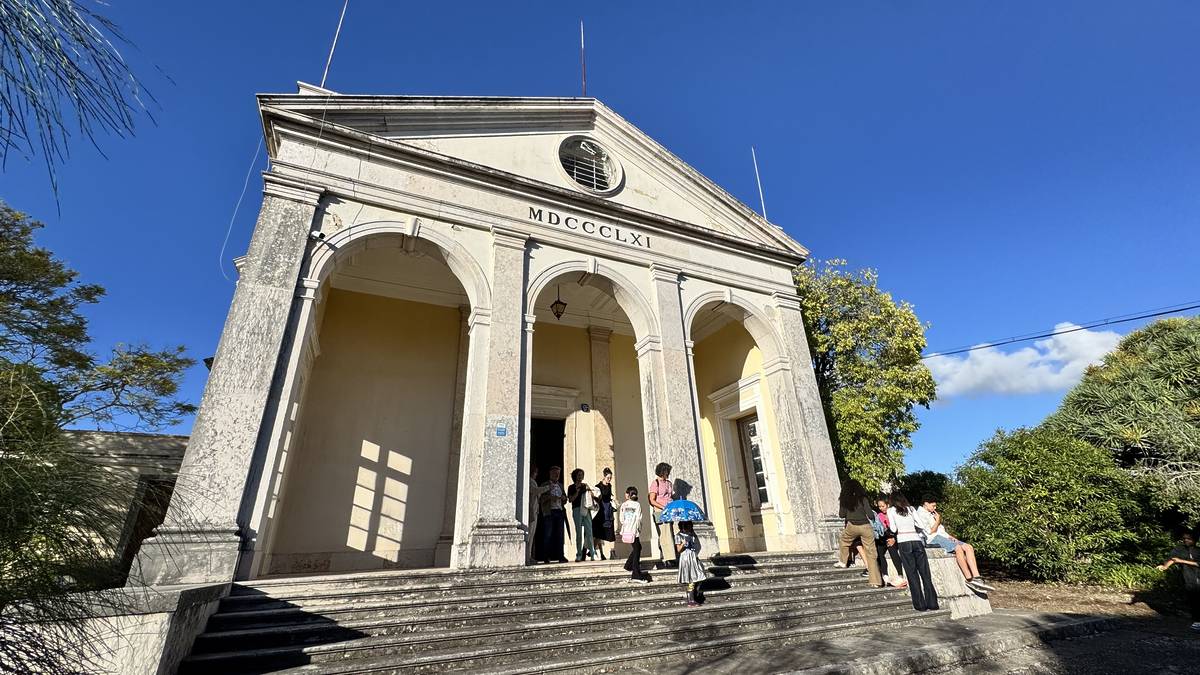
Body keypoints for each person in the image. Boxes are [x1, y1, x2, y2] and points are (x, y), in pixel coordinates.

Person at [916, 496, 994, 592]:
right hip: (932, 538)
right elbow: (930, 532)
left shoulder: (932, 513)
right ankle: (969, 578)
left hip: (943, 537)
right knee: (958, 548)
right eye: (933, 505)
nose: (935, 508)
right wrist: (937, 520)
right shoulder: (920, 514)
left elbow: (941, 530)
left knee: (968, 547)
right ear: (926, 503)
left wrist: (950, 536)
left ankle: (977, 577)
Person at [888, 492, 939, 612]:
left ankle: (920, 604)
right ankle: (932, 603)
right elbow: (920, 524)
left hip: (903, 541)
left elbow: (893, 529)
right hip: (916, 540)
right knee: (925, 573)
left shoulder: (891, 510)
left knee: (912, 574)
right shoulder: (911, 509)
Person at [834, 480, 882, 587]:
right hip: (865, 526)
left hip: (852, 525)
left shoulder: (845, 499)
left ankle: (843, 561)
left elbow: (841, 514)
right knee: (871, 553)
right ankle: (876, 582)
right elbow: (870, 514)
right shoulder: (863, 498)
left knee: (844, 541)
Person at [1157, 530, 1200, 631]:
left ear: (1194, 540)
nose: (1186, 540)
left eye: (1188, 538)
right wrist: (1164, 566)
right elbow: (1172, 559)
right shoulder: (1180, 549)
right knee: (1192, 598)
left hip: (1198, 576)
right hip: (1188, 577)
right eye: (1184, 538)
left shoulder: (1198, 550)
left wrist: (1181, 561)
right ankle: (1197, 620)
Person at [649, 462, 677, 568]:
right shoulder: (655, 483)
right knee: (665, 534)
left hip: (670, 510)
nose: (668, 473)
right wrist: (662, 507)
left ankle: (672, 554)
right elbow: (652, 500)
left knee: (675, 531)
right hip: (660, 510)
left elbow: (670, 496)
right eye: (666, 471)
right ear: (662, 471)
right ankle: (668, 558)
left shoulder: (669, 483)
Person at [538, 466, 568, 564]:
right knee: (548, 534)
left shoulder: (561, 485)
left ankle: (561, 556)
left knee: (560, 535)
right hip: (549, 512)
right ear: (550, 474)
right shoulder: (545, 484)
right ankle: (546, 556)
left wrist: (563, 498)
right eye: (555, 473)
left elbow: (565, 498)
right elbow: (541, 498)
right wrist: (550, 497)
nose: (557, 475)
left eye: (558, 474)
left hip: (559, 511)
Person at [874, 497, 906, 588]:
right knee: (879, 551)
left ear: (888, 505)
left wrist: (894, 539)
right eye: (879, 506)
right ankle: (885, 575)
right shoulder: (879, 516)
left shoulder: (893, 513)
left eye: (883, 506)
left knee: (892, 549)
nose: (881, 508)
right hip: (884, 537)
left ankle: (900, 574)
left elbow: (898, 528)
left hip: (895, 536)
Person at [619, 486, 649, 583]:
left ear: (628, 494)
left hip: (626, 530)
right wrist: (639, 530)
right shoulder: (637, 505)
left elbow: (621, 519)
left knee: (637, 548)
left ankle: (628, 565)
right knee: (637, 549)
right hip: (634, 530)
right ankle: (635, 573)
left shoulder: (624, 505)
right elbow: (639, 519)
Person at [567, 468, 597, 561]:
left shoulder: (585, 485)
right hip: (576, 509)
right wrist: (577, 491)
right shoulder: (571, 487)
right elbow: (570, 500)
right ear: (575, 476)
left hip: (586, 509)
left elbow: (592, 495)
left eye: (582, 475)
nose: (580, 477)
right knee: (579, 532)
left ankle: (593, 553)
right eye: (579, 475)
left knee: (589, 531)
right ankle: (578, 554)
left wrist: (589, 491)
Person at [675, 521, 708, 606]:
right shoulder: (679, 535)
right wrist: (683, 544)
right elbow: (678, 550)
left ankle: (695, 594)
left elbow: (697, 545)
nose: (690, 528)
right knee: (691, 579)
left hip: (693, 557)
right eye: (688, 526)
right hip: (686, 559)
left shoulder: (692, 534)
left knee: (700, 575)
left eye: (691, 526)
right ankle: (691, 599)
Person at [592, 468, 616, 560]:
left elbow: (609, 497)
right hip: (601, 512)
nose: (609, 479)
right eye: (608, 477)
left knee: (610, 532)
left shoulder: (609, 486)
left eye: (610, 477)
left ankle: (612, 552)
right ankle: (594, 550)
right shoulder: (598, 486)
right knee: (599, 533)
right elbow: (596, 498)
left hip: (608, 511)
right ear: (604, 476)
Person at [527, 465, 548, 564]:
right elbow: (535, 491)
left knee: (531, 535)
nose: (536, 474)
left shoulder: (532, 481)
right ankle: (527, 557)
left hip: (534, 510)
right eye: (535, 472)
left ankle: (529, 556)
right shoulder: (529, 481)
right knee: (529, 534)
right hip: (531, 511)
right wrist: (547, 488)